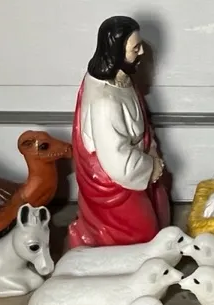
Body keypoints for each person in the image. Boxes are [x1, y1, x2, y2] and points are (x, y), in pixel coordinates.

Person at [68, 16, 171, 248]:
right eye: (135, 48)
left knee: (161, 204)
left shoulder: (121, 77)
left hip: (137, 161)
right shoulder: (105, 102)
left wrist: (152, 149)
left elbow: (141, 120)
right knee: (143, 232)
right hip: (115, 181)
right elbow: (117, 160)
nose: (142, 52)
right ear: (116, 53)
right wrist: (151, 166)